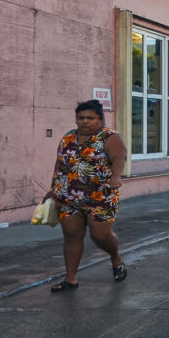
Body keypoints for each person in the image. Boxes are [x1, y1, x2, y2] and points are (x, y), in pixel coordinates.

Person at [46, 100, 128, 292]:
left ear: (100, 119)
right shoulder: (68, 138)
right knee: (71, 236)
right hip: (68, 197)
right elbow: (60, 164)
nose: (84, 121)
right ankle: (70, 278)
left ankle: (115, 257)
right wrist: (53, 188)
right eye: (81, 118)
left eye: (90, 118)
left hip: (100, 196)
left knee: (100, 236)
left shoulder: (110, 137)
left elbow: (119, 158)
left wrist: (116, 176)